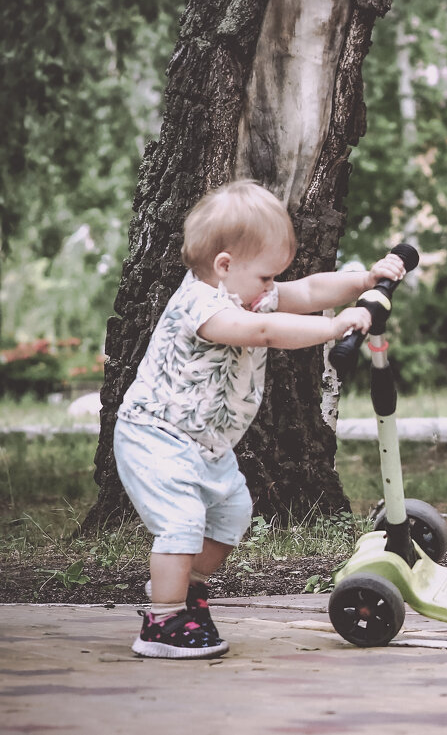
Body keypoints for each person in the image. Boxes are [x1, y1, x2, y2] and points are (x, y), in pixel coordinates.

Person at [114, 179, 406, 659]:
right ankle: (161, 621)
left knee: (231, 516)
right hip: (156, 435)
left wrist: (363, 282)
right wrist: (334, 327)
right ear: (224, 266)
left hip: (206, 445)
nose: (272, 288)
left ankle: (187, 591)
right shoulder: (204, 306)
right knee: (183, 521)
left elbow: (309, 288)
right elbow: (265, 332)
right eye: (267, 277)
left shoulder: (246, 292)